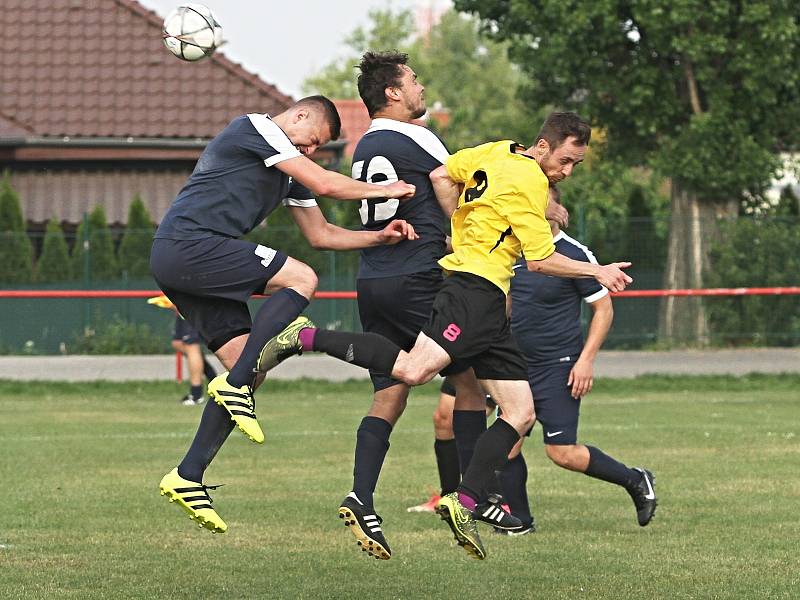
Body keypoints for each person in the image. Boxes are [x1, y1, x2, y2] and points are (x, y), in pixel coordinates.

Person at [263, 111, 634, 559]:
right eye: (566, 160)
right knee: (414, 370)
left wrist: (460, 226)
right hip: (472, 293)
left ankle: (466, 499)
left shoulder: (497, 150)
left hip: (491, 299)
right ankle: (305, 337)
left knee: (520, 411)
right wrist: (598, 270)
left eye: (575, 165)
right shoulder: (531, 180)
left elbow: (442, 174)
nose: (567, 172)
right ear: (542, 146)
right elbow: (540, 260)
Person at [150, 95, 418, 534]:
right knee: (302, 279)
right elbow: (328, 184)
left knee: (250, 367)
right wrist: (385, 189)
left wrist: (379, 239)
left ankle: (188, 475)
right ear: (299, 116)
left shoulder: (287, 170)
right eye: (312, 141)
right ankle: (237, 386)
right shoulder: (255, 127)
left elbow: (322, 234)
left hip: (187, 260)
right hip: (188, 245)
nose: (310, 152)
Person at [501, 185, 657, 530]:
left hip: (557, 366)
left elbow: (603, 309)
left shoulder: (573, 253)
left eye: (541, 202)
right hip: (515, 366)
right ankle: (520, 521)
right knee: (507, 445)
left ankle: (636, 480)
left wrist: (585, 360)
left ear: (558, 209)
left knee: (562, 453)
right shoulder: (515, 248)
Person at [171, 315, 218, 406]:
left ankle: (196, 395)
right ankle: (213, 378)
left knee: (191, 346)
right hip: (182, 309)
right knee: (178, 343)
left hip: (193, 307)